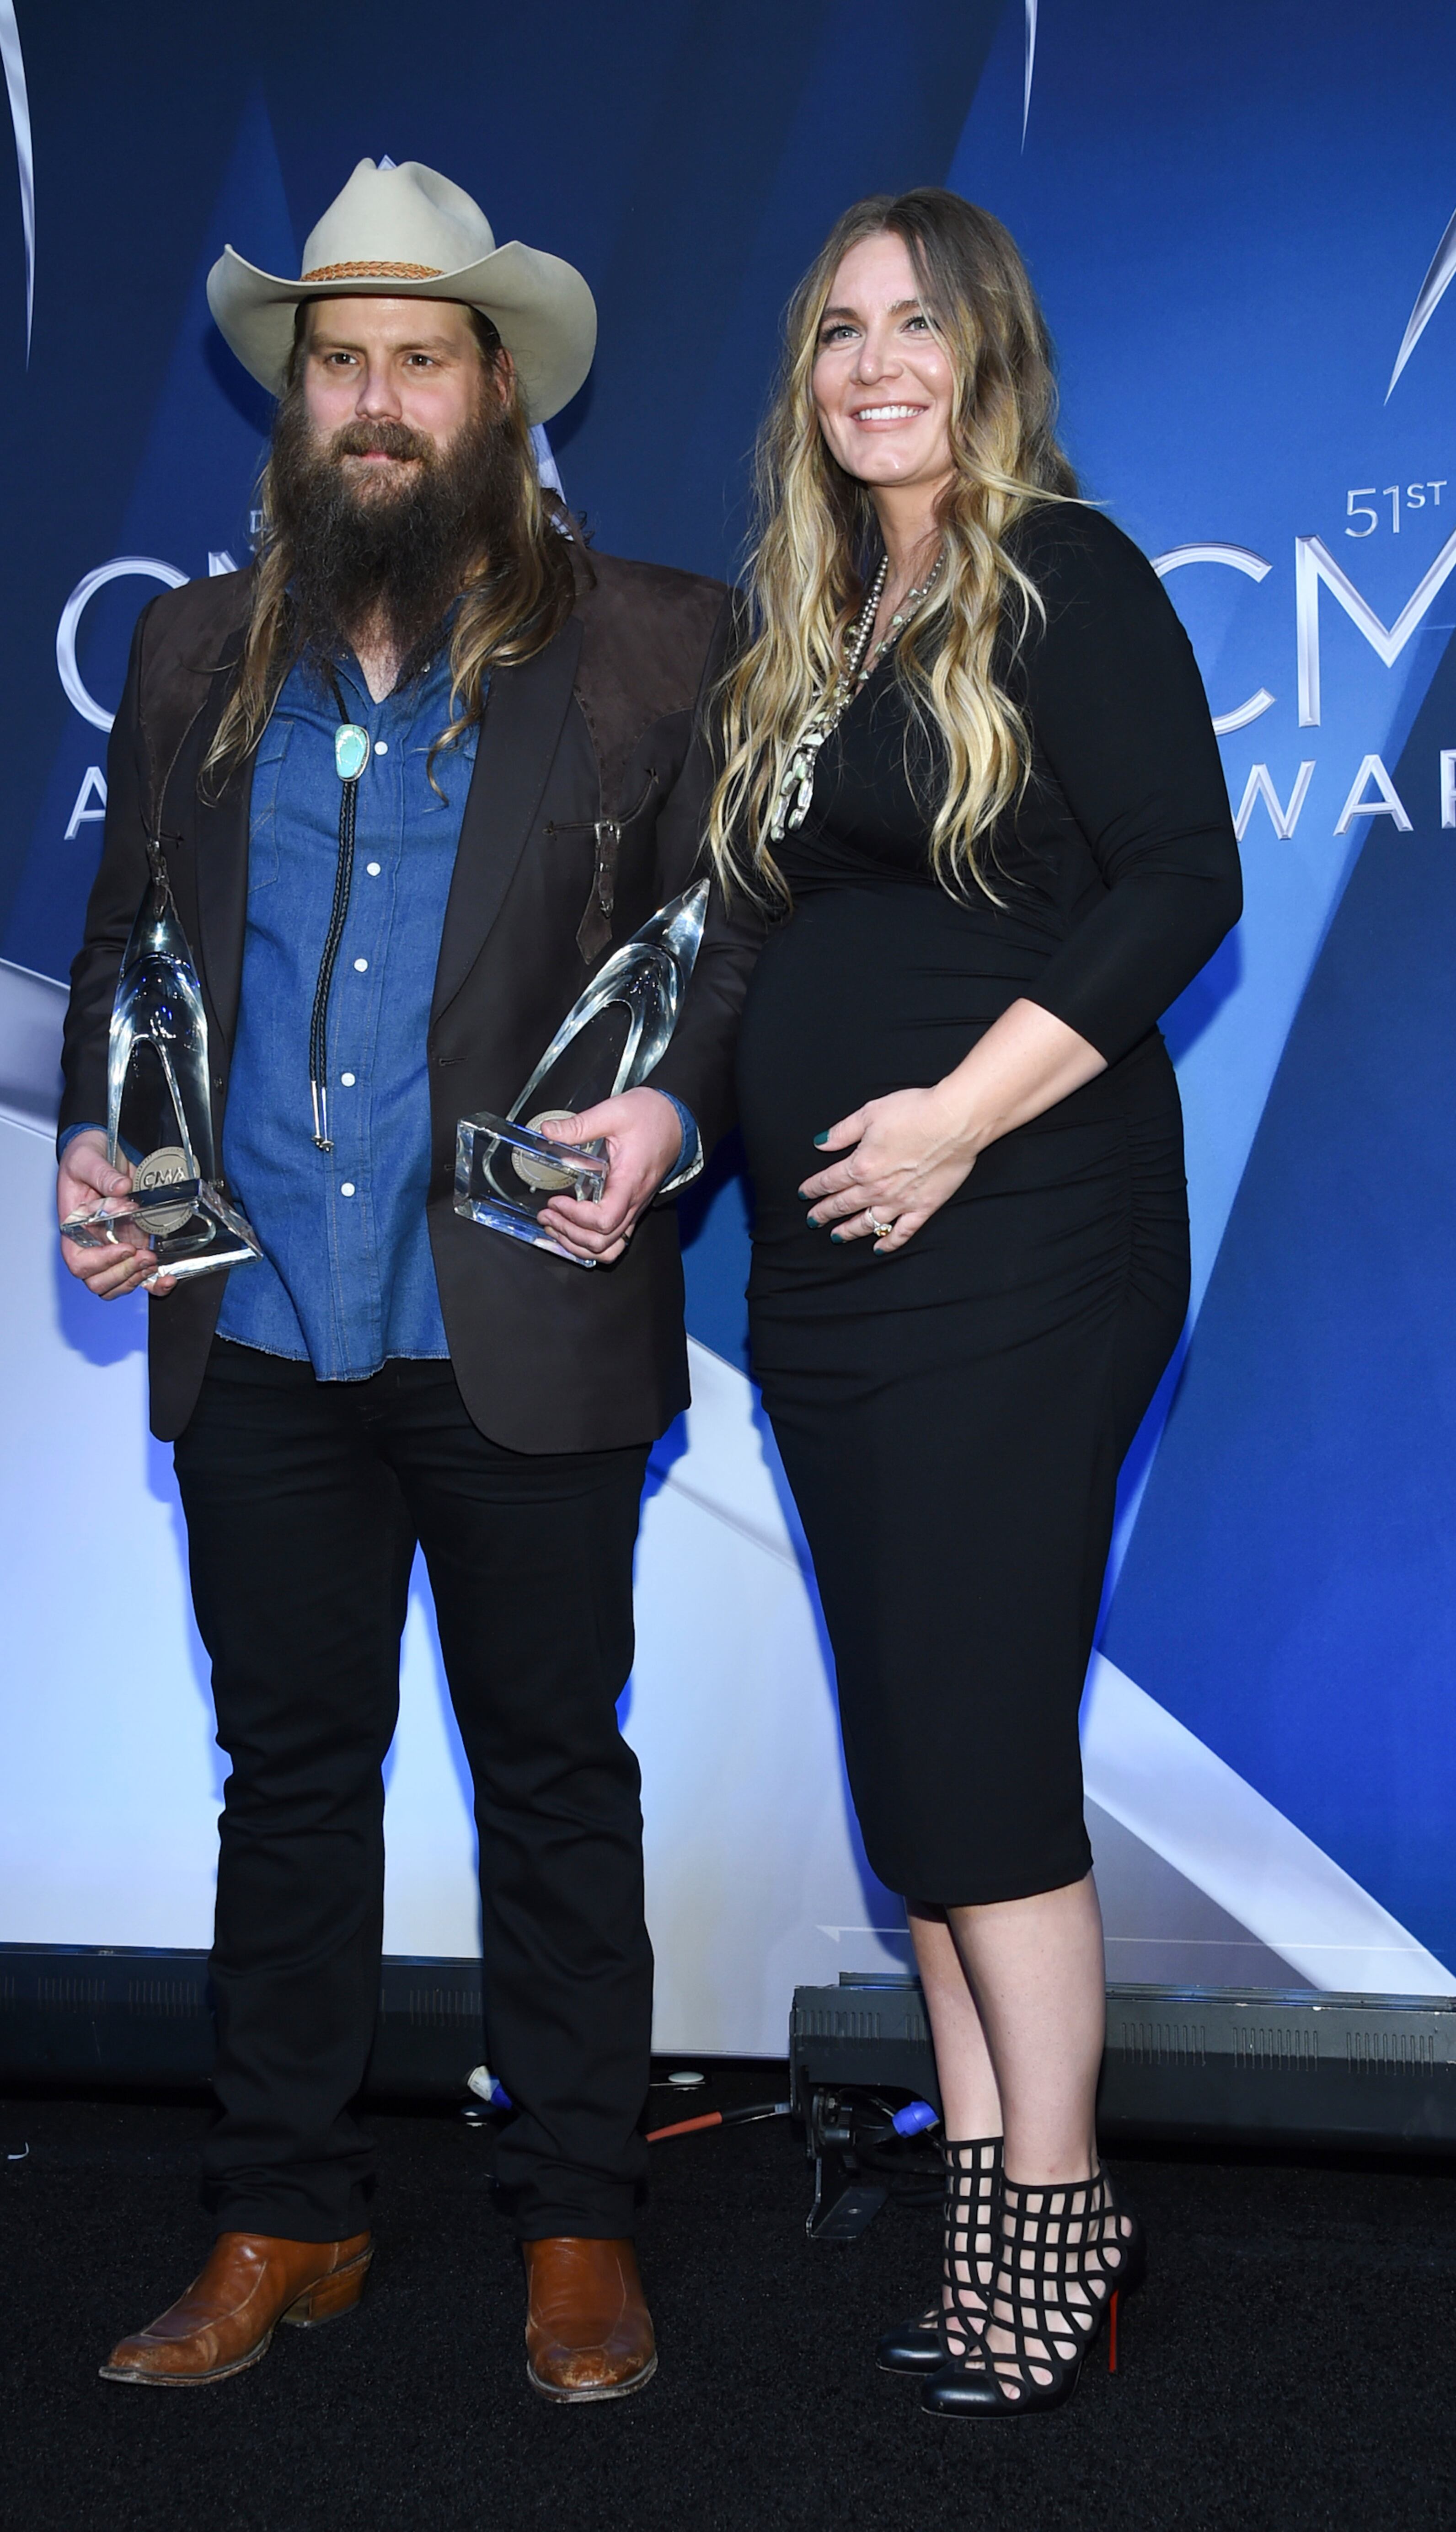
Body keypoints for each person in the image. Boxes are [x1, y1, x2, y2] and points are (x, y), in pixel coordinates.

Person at [57, 158, 755, 2401]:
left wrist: (677, 1116)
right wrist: (103, 1132)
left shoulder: (660, 638)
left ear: (500, 392)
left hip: (520, 1320)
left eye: (415, 360)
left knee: (554, 1775)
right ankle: (283, 2212)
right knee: (291, 1775)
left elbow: (723, 960)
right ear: (299, 400)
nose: (371, 399)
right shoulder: (188, 648)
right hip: (255, 1318)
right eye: (335, 360)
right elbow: (125, 959)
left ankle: (576, 2226)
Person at [711, 188, 1241, 2416]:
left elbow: (1182, 878)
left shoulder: (1067, 578)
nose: (872, 364)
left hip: (1028, 1242)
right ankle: (987, 2194)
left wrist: (948, 1121)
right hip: (838, 1292)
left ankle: (1065, 2203)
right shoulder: (832, 616)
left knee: (991, 1764)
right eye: (838, 331)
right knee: (919, 1772)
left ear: (988, 347)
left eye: (915, 323)